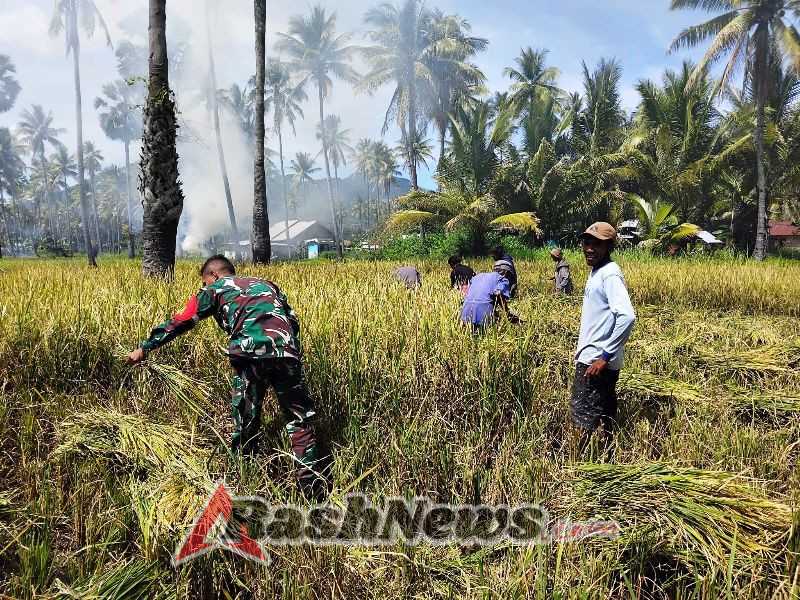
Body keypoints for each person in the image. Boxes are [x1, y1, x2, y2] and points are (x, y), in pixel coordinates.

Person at [126, 254, 322, 497]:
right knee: (298, 421)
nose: (203, 287)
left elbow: (182, 321)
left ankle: (245, 479)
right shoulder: (267, 284)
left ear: (213, 275)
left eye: (204, 282)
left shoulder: (215, 289)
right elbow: (292, 321)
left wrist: (146, 347)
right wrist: (291, 353)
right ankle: (311, 489)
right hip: (286, 353)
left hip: (250, 356)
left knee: (246, 419)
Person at [571, 222, 635, 455]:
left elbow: (627, 316)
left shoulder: (609, 274)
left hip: (594, 362)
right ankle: (608, 456)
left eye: (596, 244)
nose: (589, 248)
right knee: (605, 412)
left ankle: (577, 464)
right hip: (599, 360)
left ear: (609, 246)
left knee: (582, 416)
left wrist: (604, 357)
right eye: (587, 243)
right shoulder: (598, 271)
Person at [460, 260, 518, 330]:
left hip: (466, 312)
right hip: (483, 312)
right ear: (506, 271)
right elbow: (498, 293)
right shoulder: (501, 279)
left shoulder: (478, 276)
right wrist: (507, 313)